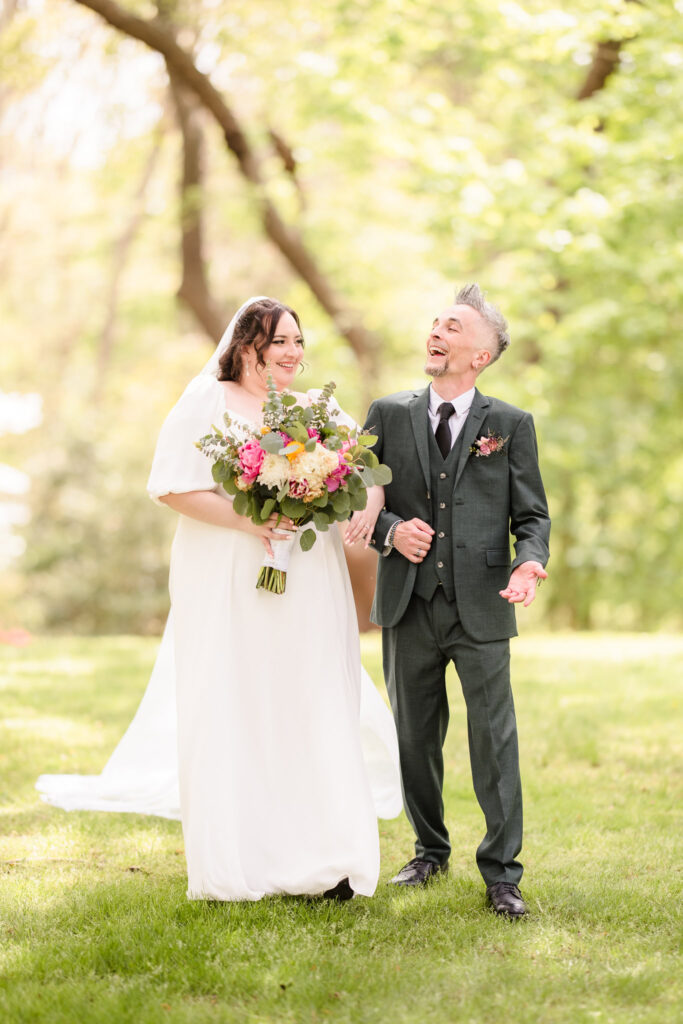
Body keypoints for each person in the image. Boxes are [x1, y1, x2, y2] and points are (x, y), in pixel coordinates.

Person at [37, 296, 402, 902]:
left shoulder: (317, 408)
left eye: (298, 341)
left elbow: (363, 476)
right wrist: (251, 521)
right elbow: (172, 488)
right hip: (231, 572)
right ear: (244, 346)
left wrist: (353, 511)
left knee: (312, 696)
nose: (292, 353)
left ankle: (329, 861)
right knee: (242, 698)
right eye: (279, 341)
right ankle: (245, 861)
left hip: (310, 577)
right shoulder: (208, 401)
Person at [364, 284, 550, 918]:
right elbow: (352, 504)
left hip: (483, 600)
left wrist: (530, 562)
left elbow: (532, 516)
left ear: (481, 354)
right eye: (435, 323)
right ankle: (429, 851)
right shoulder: (386, 414)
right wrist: (392, 531)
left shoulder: (510, 425)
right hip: (408, 602)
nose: (435, 332)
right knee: (415, 736)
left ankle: (502, 873)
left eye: (452, 326)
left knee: (493, 739)